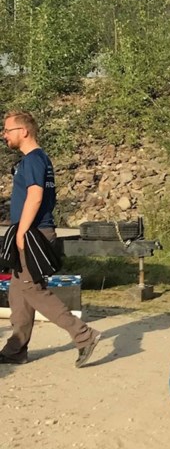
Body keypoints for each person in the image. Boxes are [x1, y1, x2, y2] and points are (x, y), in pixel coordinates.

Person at [0, 110, 102, 368]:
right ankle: (15, 349)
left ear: (23, 131)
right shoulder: (38, 159)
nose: (4, 135)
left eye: (7, 130)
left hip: (32, 232)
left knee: (33, 290)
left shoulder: (34, 160)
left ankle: (84, 335)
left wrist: (22, 232)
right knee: (18, 292)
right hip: (30, 230)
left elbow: (35, 197)